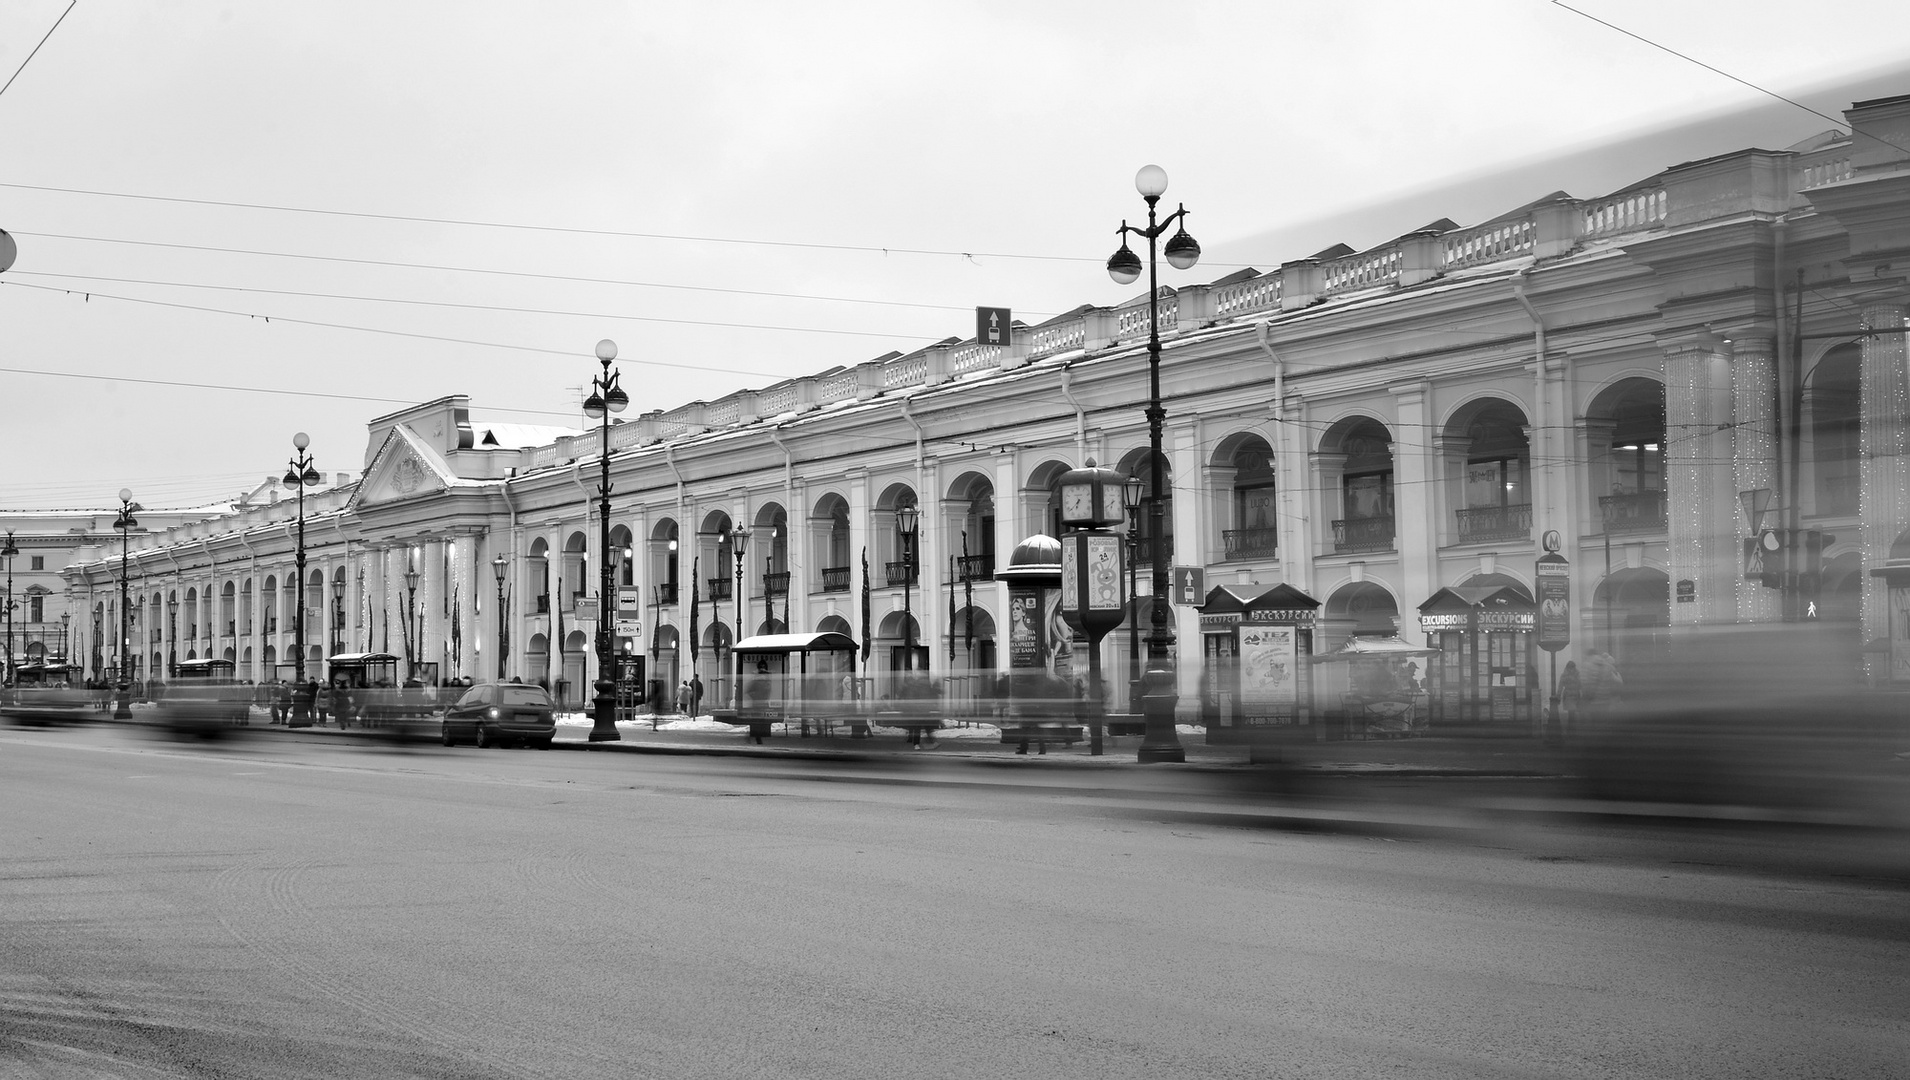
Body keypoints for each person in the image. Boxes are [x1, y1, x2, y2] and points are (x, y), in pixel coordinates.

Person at [1556, 660, 1582, 741]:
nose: (1571, 669)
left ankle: (1570, 731)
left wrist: (1558, 696)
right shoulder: (1577, 674)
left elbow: (1560, 686)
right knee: (1572, 714)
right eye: (1571, 668)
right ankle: (1572, 731)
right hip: (1572, 696)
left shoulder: (1565, 675)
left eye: (1572, 668)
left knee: (1572, 714)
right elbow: (1581, 685)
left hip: (1571, 696)